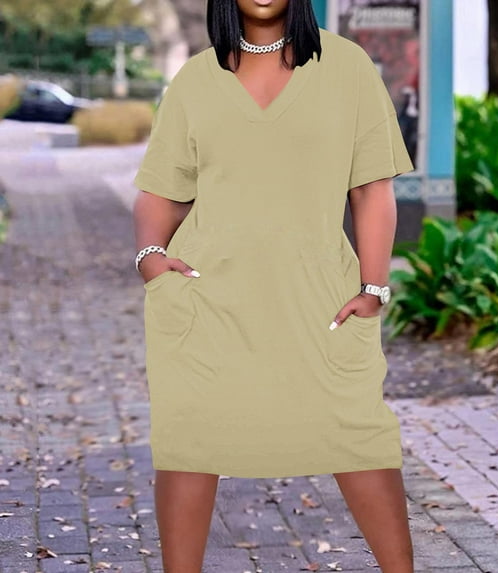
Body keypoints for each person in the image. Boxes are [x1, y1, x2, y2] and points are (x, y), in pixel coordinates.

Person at [132, 0, 415, 571]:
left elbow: (371, 190)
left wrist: (374, 288)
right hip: (207, 303)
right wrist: (150, 259)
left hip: (321, 303)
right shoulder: (195, 80)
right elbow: (162, 190)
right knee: (189, 441)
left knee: (360, 437)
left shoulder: (347, 68)